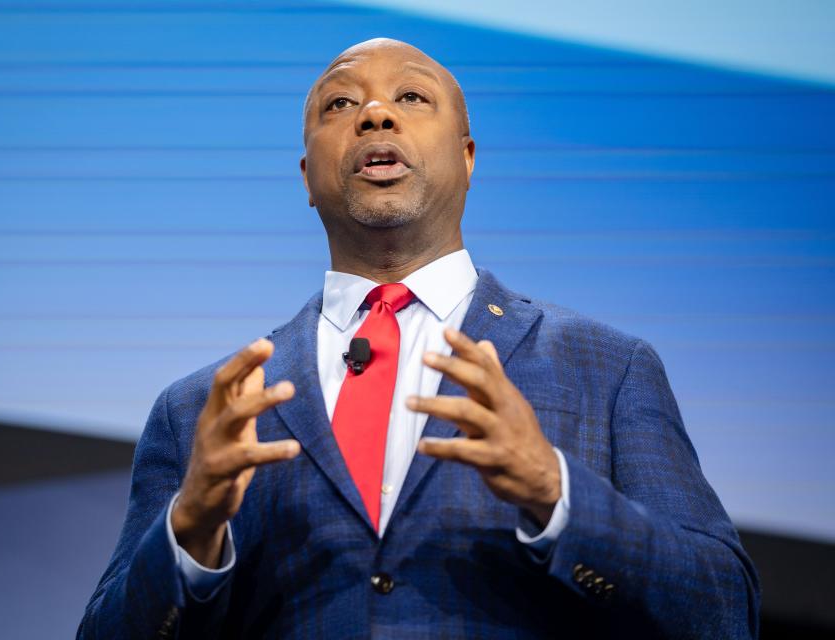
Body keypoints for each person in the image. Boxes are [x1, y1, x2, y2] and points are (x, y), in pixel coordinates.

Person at [78, 38, 759, 639]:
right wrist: (189, 532)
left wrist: (558, 493)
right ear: (307, 178)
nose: (376, 114)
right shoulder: (199, 409)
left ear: (467, 158)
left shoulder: (607, 369)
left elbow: (723, 611)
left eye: (411, 96)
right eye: (340, 105)